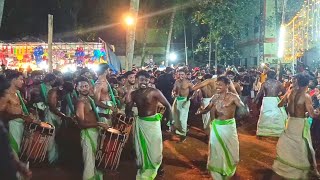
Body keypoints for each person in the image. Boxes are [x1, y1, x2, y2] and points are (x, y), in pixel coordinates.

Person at [126, 70, 173, 179]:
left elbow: (168, 105)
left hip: (152, 123)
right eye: (142, 80)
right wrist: (129, 94)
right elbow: (128, 110)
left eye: (147, 80)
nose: (144, 82)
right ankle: (147, 166)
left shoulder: (154, 92)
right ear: (136, 80)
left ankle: (159, 167)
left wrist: (170, 121)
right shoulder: (134, 94)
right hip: (141, 122)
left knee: (155, 147)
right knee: (143, 147)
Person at [196, 76, 245, 180]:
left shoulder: (233, 97)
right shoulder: (215, 97)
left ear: (227, 85)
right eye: (217, 84)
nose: (217, 86)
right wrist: (201, 111)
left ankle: (228, 170)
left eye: (220, 85)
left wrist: (240, 116)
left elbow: (243, 109)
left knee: (231, 150)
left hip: (229, 127)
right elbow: (208, 108)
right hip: (217, 127)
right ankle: (216, 173)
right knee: (216, 149)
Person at [272, 73, 320, 179]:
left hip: (290, 122)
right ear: (308, 83)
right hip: (300, 124)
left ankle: (287, 168)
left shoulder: (291, 92)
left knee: (290, 146)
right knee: (305, 147)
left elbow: (279, 104)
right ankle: (313, 171)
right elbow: (312, 115)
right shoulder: (306, 96)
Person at [0, 75, 32, 180]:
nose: (23, 82)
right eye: (20, 79)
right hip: (12, 124)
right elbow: (2, 114)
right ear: (13, 80)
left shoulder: (18, 93)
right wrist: (20, 116)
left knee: (15, 149)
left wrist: (17, 165)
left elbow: (5, 150)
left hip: (19, 124)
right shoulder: (7, 95)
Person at [76, 77, 107, 180]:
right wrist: (98, 124)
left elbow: (92, 114)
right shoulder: (80, 103)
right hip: (88, 133)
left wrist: (106, 115)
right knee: (89, 162)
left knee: (94, 160)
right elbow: (81, 124)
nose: (84, 88)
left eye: (86, 86)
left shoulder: (89, 99)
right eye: (82, 86)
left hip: (94, 131)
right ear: (77, 88)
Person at [45, 80, 75, 163]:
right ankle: (51, 159)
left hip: (58, 115)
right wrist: (64, 116)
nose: (66, 95)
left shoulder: (62, 92)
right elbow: (52, 108)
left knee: (58, 136)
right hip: (51, 115)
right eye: (66, 93)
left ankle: (55, 157)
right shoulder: (53, 92)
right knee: (51, 136)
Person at [254, 70, 287, 137]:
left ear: (267, 76)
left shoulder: (264, 83)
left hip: (266, 101)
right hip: (275, 99)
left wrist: (255, 100)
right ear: (275, 76)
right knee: (276, 115)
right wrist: (279, 94)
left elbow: (259, 93)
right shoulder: (279, 83)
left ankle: (264, 132)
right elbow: (284, 92)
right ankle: (277, 132)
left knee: (265, 115)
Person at [172, 69, 193, 142]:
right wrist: (173, 93)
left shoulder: (188, 83)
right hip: (177, 100)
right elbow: (174, 89)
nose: (181, 76)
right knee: (176, 117)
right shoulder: (176, 81)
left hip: (185, 101)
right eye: (180, 74)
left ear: (185, 75)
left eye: (182, 74)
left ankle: (183, 135)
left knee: (182, 119)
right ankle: (180, 131)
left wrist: (188, 98)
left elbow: (193, 91)